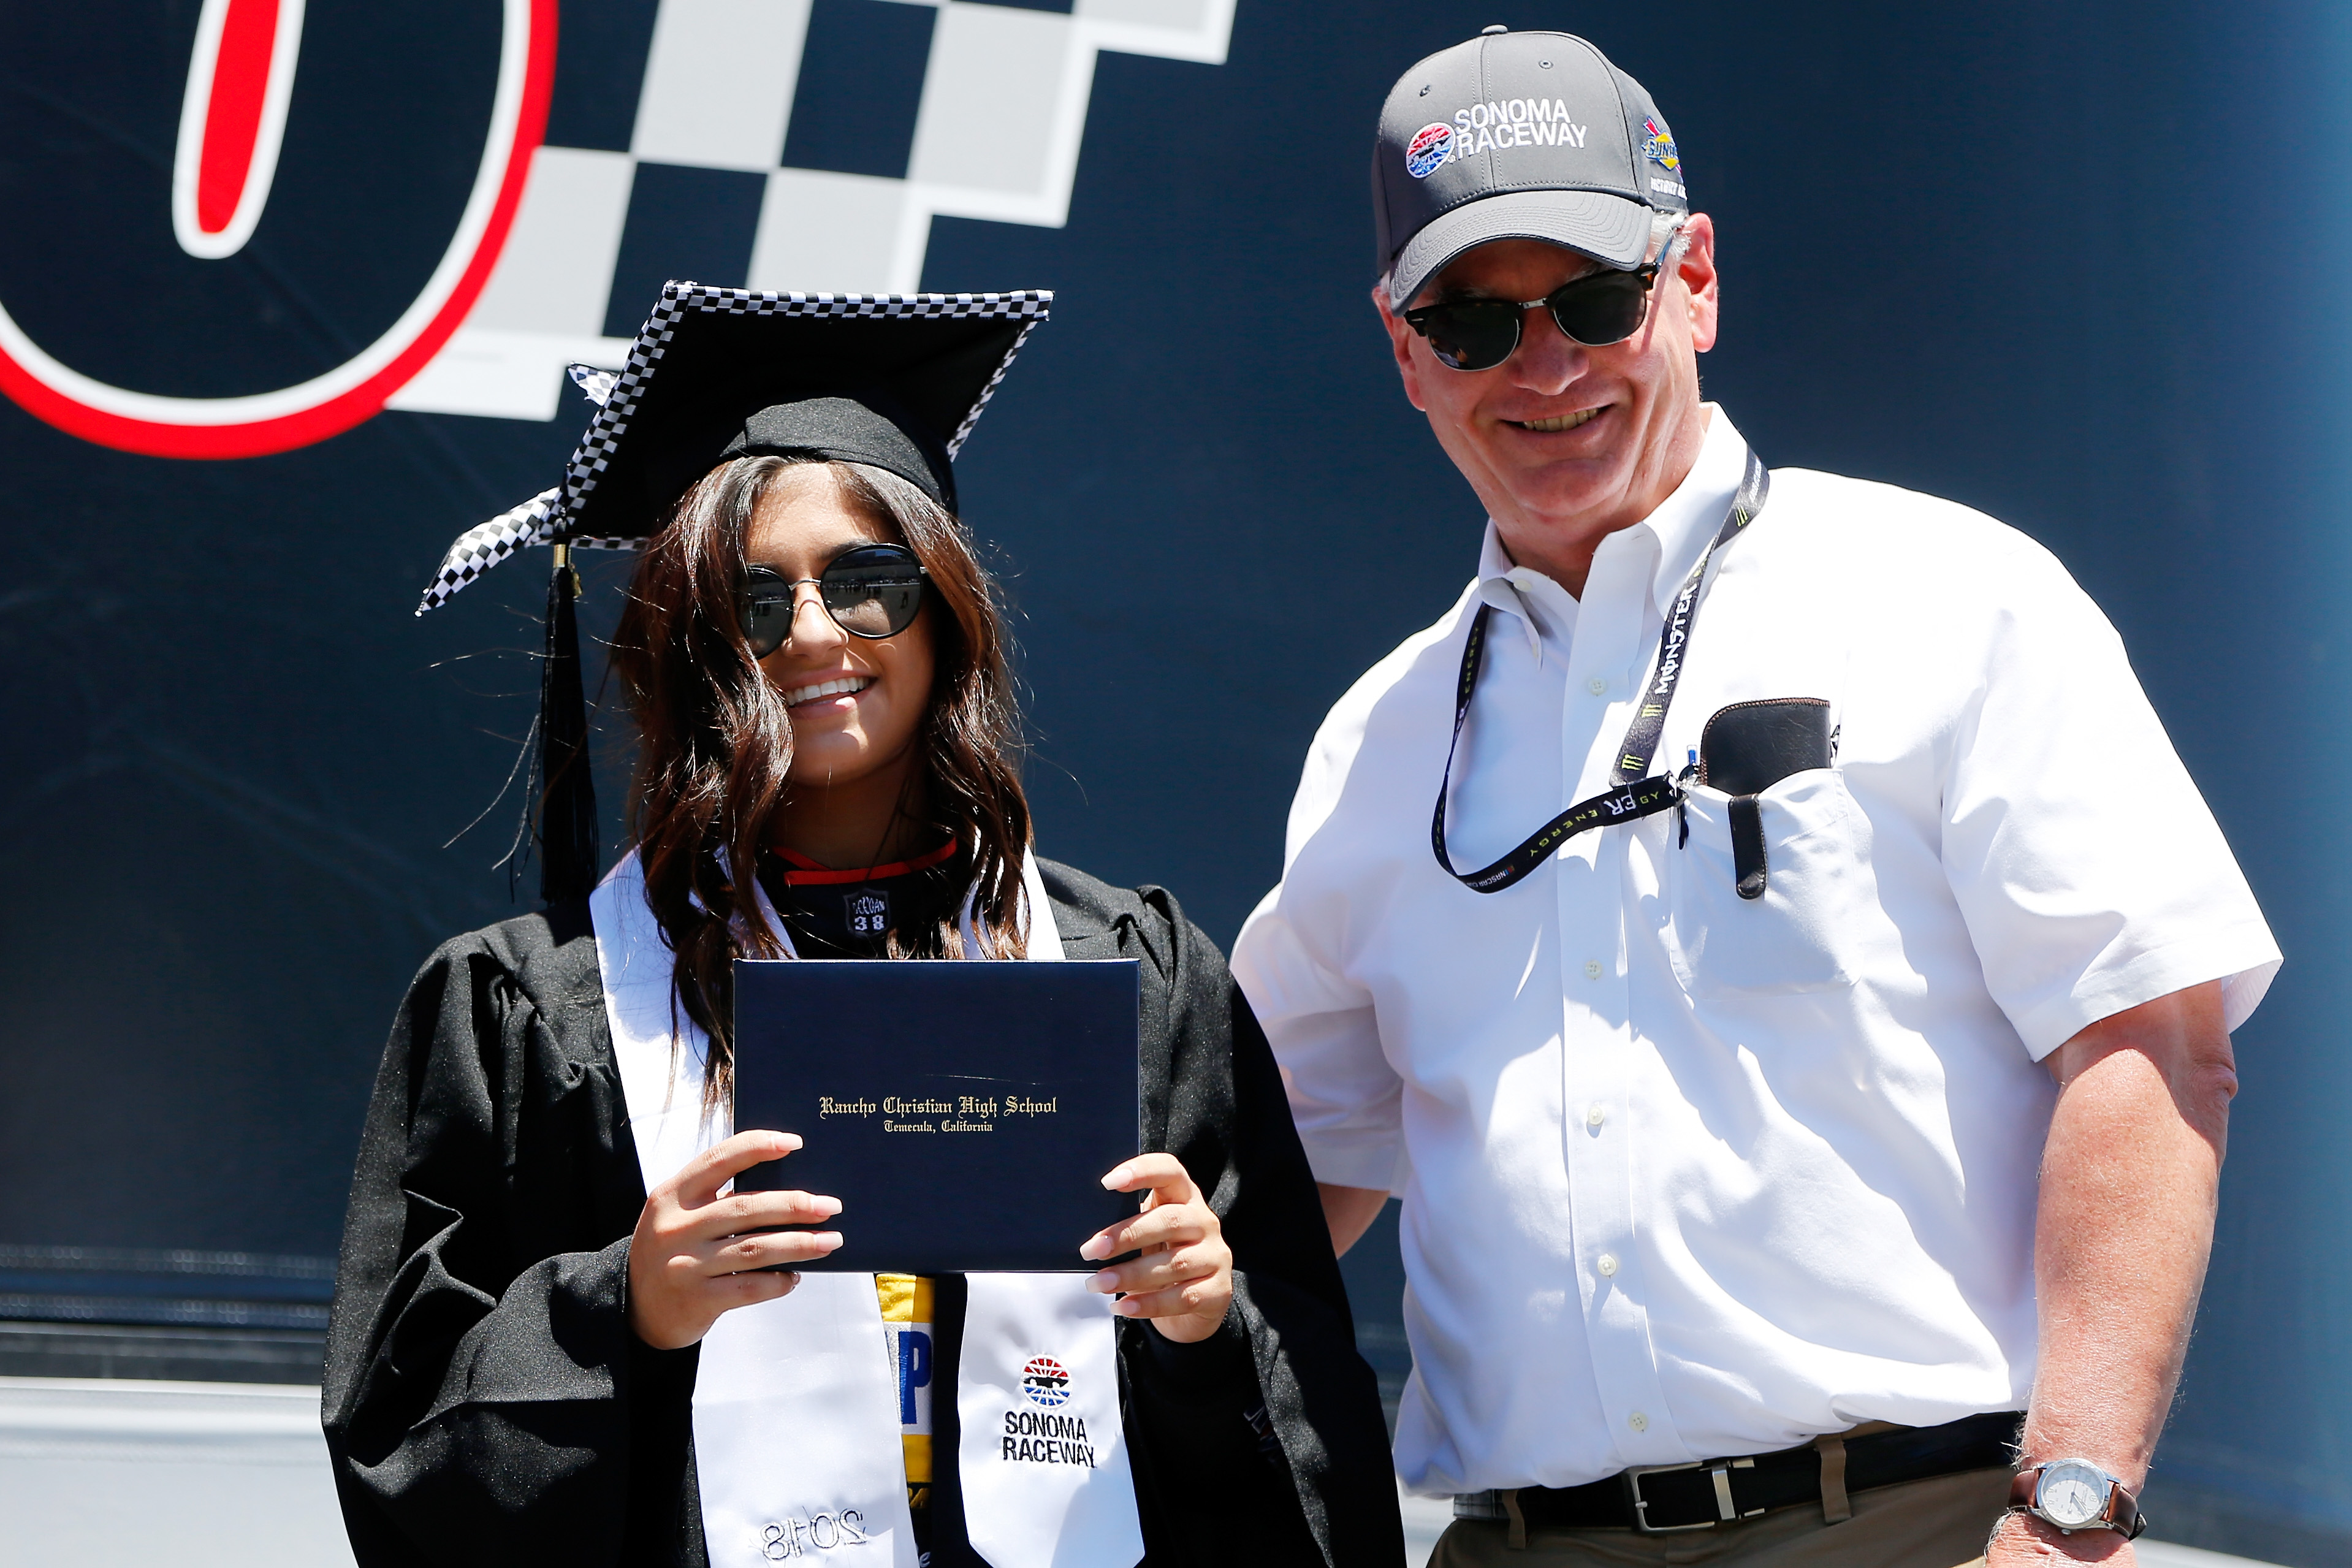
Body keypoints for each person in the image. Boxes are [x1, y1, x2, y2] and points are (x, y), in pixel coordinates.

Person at [1230, 28, 2277, 1568]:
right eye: (1472, 323)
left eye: (1595, 298)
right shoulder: (1375, 743)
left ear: (1694, 283)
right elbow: (1277, 1181)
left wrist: (2066, 1517)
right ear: (1403, 352)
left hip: (1912, 1526)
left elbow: (2146, 1042)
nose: (1544, 365)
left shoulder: (1950, 598)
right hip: (1515, 1542)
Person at [322, 287, 1401, 1568]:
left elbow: (1308, 1426)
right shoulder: (542, 1007)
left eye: (868, 582)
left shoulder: (1131, 974)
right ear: (691, 642)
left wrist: (1201, 1325)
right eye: (751, 602)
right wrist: (628, 1305)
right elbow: (405, 1448)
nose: (813, 633)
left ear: (944, 608)